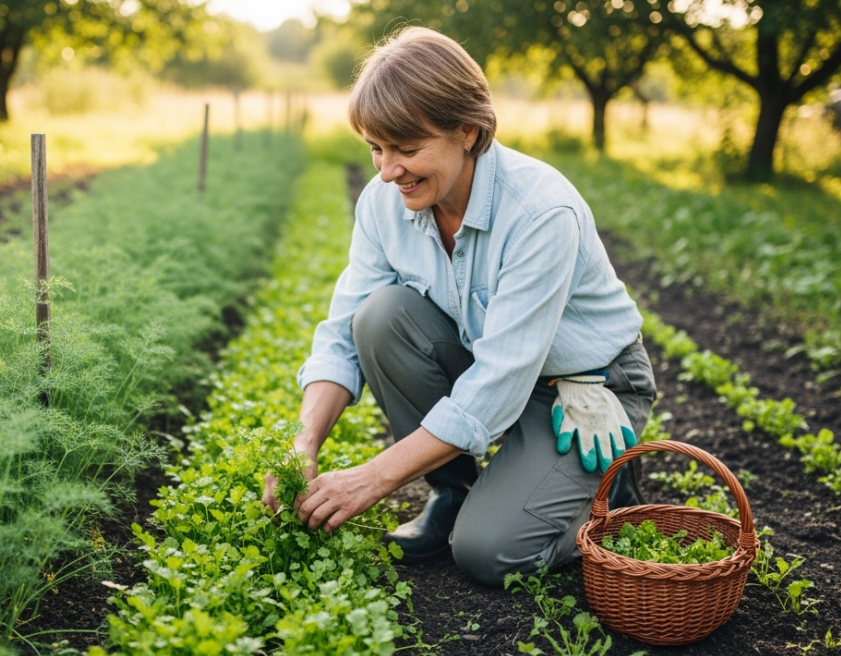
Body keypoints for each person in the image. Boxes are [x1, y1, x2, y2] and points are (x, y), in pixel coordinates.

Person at [261, 27, 656, 586]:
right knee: (379, 317)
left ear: (467, 131)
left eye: (407, 149)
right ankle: (455, 491)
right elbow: (344, 334)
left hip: (584, 385)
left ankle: (608, 491)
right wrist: (303, 442)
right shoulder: (384, 204)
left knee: (489, 553)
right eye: (376, 147)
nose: (386, 170)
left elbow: (497, 381)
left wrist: (373, 478)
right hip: (494, 365)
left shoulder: (540, 212)